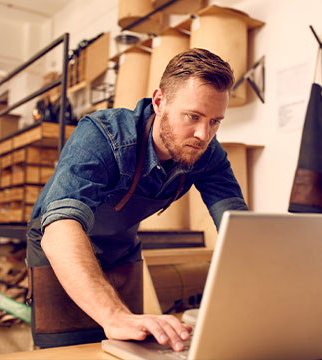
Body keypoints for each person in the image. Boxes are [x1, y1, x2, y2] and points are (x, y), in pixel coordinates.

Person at [26, 48, 248, 351]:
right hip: (61, 254)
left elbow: (238, 228)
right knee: (70, 353)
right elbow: (60, 230)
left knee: (129, 349)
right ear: (159, 102)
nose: (203, 134)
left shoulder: (206, 153)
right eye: (193, 116)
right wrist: (114, 314)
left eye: (215, 122)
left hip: (120, 253)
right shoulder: (102, 135)